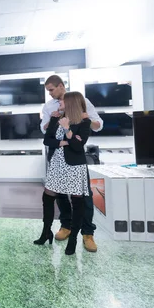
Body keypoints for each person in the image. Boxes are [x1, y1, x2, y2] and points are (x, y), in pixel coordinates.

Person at [40, 75, 103, 253]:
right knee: (59, 194)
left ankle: (87, 233)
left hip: (75, 158)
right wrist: (54, 120)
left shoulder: (81, 101)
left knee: (83, 195)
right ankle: (66, 226)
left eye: (52, 90)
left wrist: (85, 120)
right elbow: (45, 131)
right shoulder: (49, 107)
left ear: (61, 86)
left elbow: (98, 125)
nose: (51, 94)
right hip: (57, 154)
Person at [35, 92, 92, 255]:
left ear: (70, 103)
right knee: (47, 196)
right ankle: (46, 232)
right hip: (56, 164)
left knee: (77, 201)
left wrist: (67, 129)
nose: (59, 103)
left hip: (74, 166)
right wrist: (66, 140)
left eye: (61, 102)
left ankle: (73, 239)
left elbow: (77, 147)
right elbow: (47, 141)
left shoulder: (84, 122)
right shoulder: (56, 118)